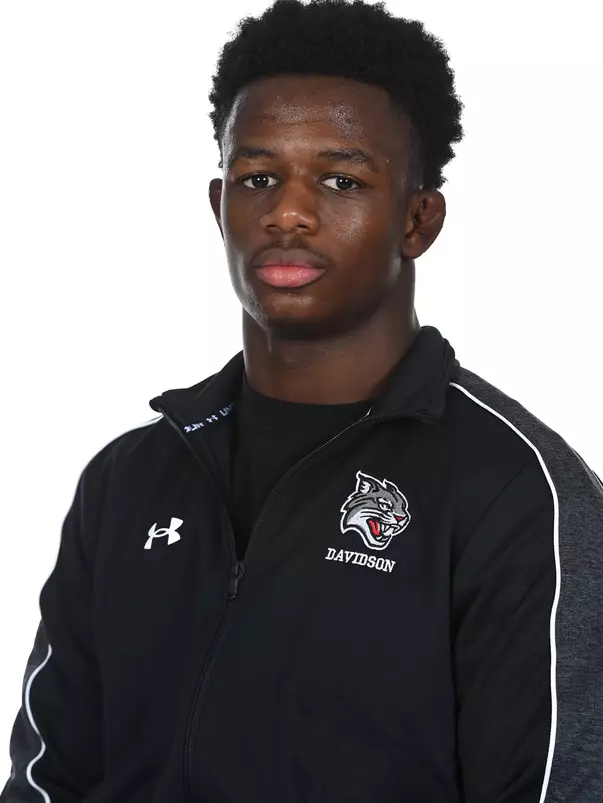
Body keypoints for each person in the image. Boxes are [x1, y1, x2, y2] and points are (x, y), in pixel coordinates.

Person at [2, 0, 602, 800]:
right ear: (219, 206)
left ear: (418, 220)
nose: (287, 211)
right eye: (258, 178)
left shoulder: (514, 492)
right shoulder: (128, 480)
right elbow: (47, 778)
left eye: (341, 178)